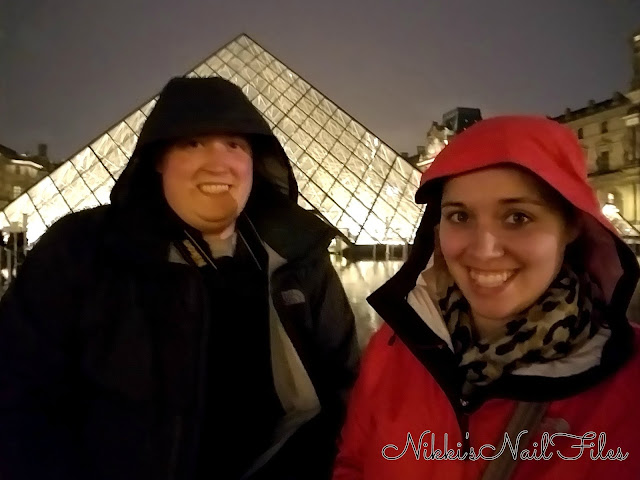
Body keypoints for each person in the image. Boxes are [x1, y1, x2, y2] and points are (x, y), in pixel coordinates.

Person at [0, 76, 359, 480]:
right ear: (158, 159)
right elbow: (17, 402)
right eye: (192, 143)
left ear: (254, 162)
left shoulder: (300, 255)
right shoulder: (79, 250)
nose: (217, 161)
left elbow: (347, 388)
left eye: (235, 145)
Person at [332, 116, 640, 479]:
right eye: (459, 216)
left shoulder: (632, 383)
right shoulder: (389, 346)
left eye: (517, 217)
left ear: (572, 225)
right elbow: (353, 466)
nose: (484, 249)